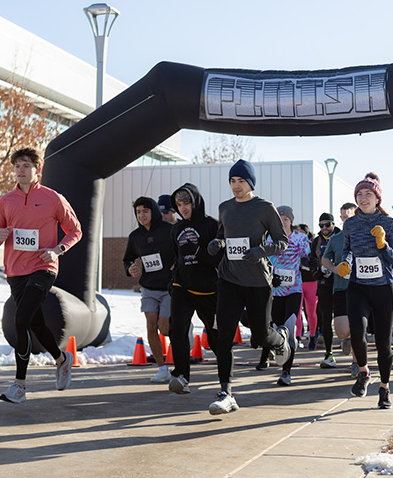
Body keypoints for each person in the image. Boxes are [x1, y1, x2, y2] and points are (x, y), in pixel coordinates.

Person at [0, 147, 81, 403]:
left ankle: (19, 386)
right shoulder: (6, 201)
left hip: (43, 267)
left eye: (26, 165)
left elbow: (75, 230)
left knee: (20, 321)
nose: (21, 170)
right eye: (17, 166)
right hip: (15, 271)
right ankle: (62, 359)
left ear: (37, 169)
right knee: (36, 324)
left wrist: (58, 249)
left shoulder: (53, 198)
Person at [206, 159, 294, 415]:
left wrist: (261, 250)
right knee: (223, 335)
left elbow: (282, 241)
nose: (236, 186)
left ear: (251, 183)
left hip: (257, 280)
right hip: (229, 278)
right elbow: (223, 236)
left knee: (260, 336)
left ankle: (281, 340)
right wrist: (217, 245)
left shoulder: (265, 208)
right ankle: (226, 393)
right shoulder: (225, 208)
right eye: (232, 181)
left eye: (241, 181)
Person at [334, 173, 393, 409]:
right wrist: (346, 263)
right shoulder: (350, 223)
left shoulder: (390, 223)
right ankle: (363, 371)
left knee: (384, 343)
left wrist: (383, 245)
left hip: (383, 288)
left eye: (368, 194)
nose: (363, 199)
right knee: (357, 332)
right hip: (358, 286)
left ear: (377, 199)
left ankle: (384, 388)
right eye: (359, 195)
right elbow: (347, 251)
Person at [167, 183, 221, 394]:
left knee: (216, 335)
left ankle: (226, 375)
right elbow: (176, 258)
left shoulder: (212, 226)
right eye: (179, 204)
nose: (183, 208)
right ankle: (182, 376)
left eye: (186, 202)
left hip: (209, 290)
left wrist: (197, 251)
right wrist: (172, 279)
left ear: (195, 202)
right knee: (177, 328)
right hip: (183, 288)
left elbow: (218, 260)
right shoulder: (176, 229)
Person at [123, 196, 176, 384]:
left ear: (153, 211)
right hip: (148, 288)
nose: (141, 215)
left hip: (169, 287)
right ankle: (162, 369)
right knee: (151, 326)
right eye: (138, 212)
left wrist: (176, 264)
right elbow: (127, 258)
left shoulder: (169, 230)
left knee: (165, 329)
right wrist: (130, 268)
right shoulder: (135, 237)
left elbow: (182, 251)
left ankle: (182, 332)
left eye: (145, 211)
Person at [261, 205, 310, 385]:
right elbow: (264, 261)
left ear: (291, 221)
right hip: (274, 291)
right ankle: (279, 354)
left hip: (293, 290)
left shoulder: (300, 238)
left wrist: (310, 263)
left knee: (289, 328)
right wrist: (269, 276)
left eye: (286, 219)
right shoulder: (269, 240)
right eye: (279, 218)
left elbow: (307, 259)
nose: (282, 221)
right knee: (275, 328)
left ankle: (286, 373)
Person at [321, 203, 357, 374]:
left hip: (361, 288)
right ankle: (347, 338)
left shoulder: (365, 236)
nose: (345, 220)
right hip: (341, 288)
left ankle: (357, 363)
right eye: (343, 217)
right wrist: (335, 269)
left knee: (359, 326)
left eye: (348, 216)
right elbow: (325, 259)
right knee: (342, 331)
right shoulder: (335, 239)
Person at [312, 211, 341, 365]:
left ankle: (348, 342)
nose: (324, 228)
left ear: (333, 224)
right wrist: (317, 271)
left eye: (327, 224)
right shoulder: (316, 241)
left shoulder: (341, 238)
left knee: (343, 318)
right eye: (321, 225)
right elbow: (310, 260)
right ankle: (329, 353)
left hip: (341, 285)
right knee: (325, 319)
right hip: (324, 285)